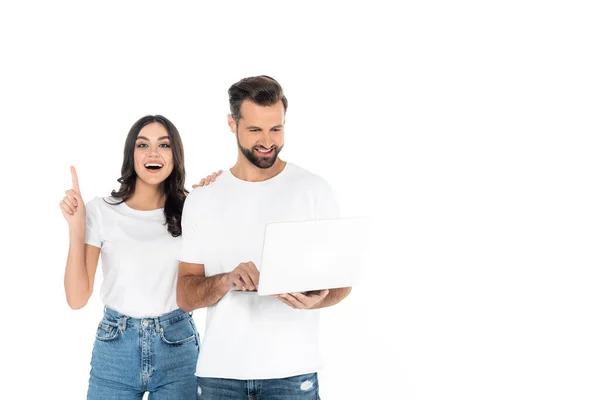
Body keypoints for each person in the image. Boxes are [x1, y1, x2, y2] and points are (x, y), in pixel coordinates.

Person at [177, 76, 352, 399]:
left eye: (276, 129)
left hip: (291, 374)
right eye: (255, 130)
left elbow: (341, 284)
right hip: (220, 377)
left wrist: (317, 299)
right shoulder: (203, 198)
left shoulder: (313, 190)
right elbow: (185, 296)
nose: (267, 141)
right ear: (232, 123)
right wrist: (226, 280)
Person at [60, 115, 220, 399]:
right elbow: (76, 298)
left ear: (176, 156)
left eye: (164, 145)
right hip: (115, 347)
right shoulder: (101, 211)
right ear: (130, 155)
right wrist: (76, 227)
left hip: (177, 344)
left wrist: (217, 199)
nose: (153, 153)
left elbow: (211, 278)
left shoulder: (192, 209)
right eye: (142, 144)